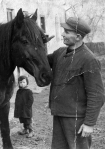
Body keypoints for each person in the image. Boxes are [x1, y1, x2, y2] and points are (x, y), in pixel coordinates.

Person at [47, 17, 105, 149]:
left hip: (76, 119)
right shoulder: (59, 53)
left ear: (78, 36)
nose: (62, 34)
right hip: (59, 114)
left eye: (67, 32)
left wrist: (89, 124)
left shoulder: (89, 59)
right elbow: (40, 63)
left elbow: (97, 95)